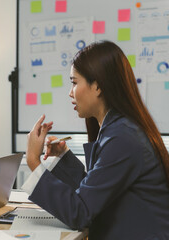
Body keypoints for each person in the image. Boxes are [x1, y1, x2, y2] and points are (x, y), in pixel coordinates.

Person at [23, 41, 169, 239]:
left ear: (98, 85)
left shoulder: (123, 138)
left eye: (74, 83)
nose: (70, 92)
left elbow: (80, 212)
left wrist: (33, 161)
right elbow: (94, 192)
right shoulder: (119, 128)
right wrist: (64, 155)